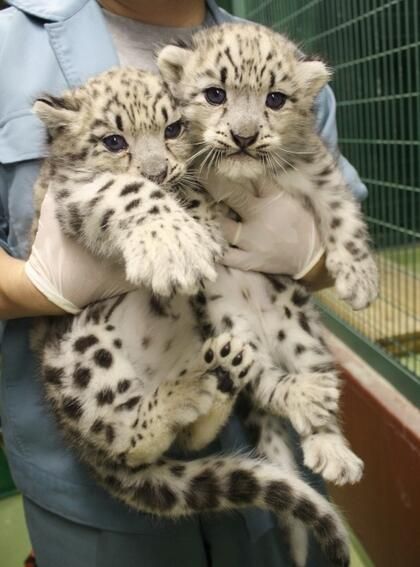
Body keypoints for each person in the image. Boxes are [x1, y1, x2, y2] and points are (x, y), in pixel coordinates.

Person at [0, 1, 367, 565]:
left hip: (261, 430)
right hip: (94, 488)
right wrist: (34, 287)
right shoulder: (7, 46)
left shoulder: (278, 57)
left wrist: (307, 251)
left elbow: (334, 257)